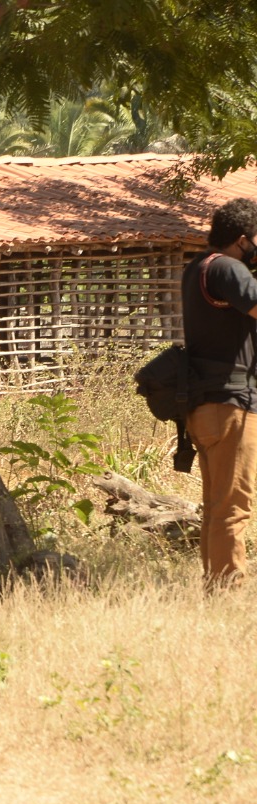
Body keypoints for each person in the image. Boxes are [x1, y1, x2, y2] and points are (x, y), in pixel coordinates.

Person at [183, 198, 257, 590]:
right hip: (232, 404)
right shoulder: (229, 268)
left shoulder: (198, 267)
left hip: (205, 404)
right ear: (244, 240)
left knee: (216, 508)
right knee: (233, 508)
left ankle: (215, 587)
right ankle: (228, 590)